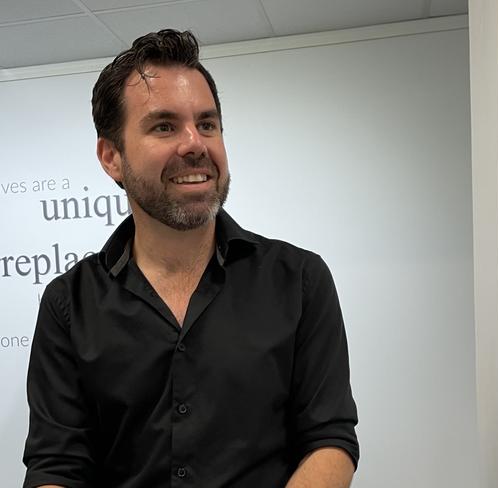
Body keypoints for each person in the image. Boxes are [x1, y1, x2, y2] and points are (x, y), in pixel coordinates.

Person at [23, 29, 358, 488]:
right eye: (164, 126)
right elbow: (56, 467)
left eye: (207, 123)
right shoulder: (68, 305)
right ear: (111, 157)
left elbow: (330, 441)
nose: (195, 143)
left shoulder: (299, 280)